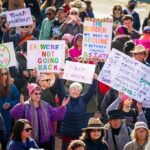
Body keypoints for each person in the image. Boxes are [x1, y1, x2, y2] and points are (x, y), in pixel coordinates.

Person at [10, 83, 69, 150]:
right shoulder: (25, 105)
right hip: (30, 140)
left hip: (46, 140)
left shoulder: (46, 105)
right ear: (30, 94)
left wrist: (62, 107)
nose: (38, 95)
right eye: (36, 93)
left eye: (39, 93)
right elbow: (14, 114)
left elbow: (56, 116)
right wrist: (20, 105)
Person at [56, 73, 97, 150]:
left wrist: (94, 80)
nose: (76, 91)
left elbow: (91, 91)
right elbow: (60, 89)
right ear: (70, 90)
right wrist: (59, 78)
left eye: (78, 90)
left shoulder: (83, 99)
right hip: (67, 134)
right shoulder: (65, 99)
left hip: (80, 134)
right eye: (74, 90)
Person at [0, 68, 20, 147]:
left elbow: (17, 99)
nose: (4, 76)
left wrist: (10, 104)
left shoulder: (12, 86)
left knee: (6, 138)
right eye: (1, 74)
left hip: (8, 116)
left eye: (5, 74)